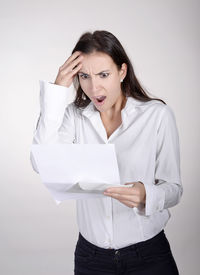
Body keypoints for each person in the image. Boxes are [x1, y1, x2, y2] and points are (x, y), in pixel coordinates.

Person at [30, 30, 183, 274]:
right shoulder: (74, 116)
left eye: (103, 74)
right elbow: (42, 162)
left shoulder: (157, 115)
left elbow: (174, 189)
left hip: (149, 255)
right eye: (84, 76)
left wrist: (147, 194)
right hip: (91, 258)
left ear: (122, 72)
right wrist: (57, 90)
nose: (93, 87)